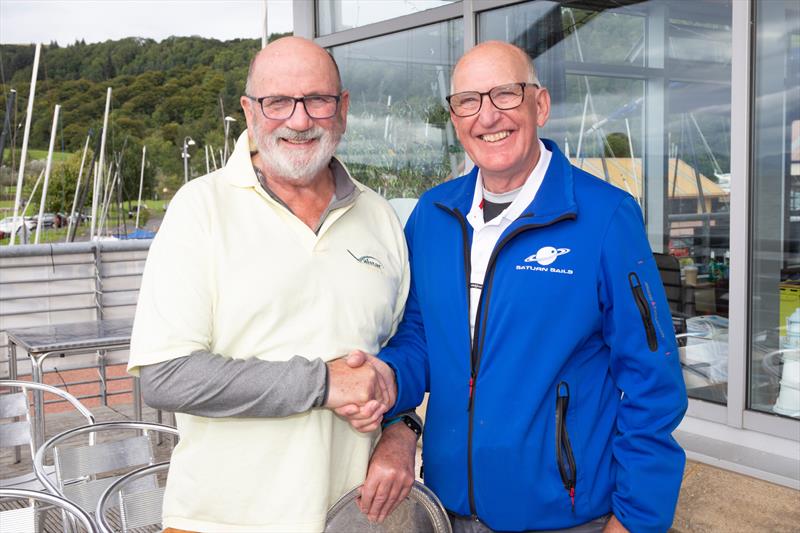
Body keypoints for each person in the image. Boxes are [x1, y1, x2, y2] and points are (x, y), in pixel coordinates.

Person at [343, 41, 688, 533]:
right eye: (468, 101)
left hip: (568, 517)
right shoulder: (434, 215)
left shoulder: (605, 217)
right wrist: (387, 383)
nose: (488, 116)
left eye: (505, 94)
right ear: (455, 118)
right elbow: (419, 335)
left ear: (540, 105)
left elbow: (653, 382)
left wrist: (637, 519)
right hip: (449, 507)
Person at [127, 36, 408, 532]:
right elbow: (165, 376)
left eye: (318, 100)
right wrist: (323, 383)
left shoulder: (380, 216)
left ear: (341, 109)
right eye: (277, 101)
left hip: (356, 519)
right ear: (249, 111)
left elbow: (400, 350)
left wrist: (402, 428)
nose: (299, 121)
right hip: (217, 522)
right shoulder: (201, 208)